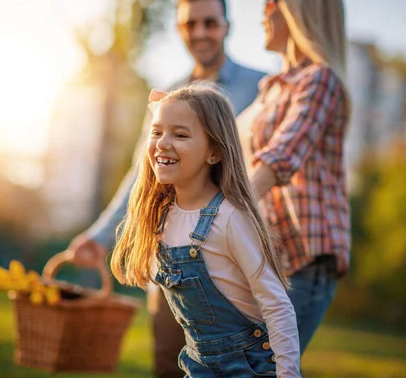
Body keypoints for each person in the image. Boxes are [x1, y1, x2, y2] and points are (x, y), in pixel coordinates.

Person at [66, 0, 266, 377]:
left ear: (227, 26)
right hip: (172, 256)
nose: (201, 31)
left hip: (233, 259)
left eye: (210, 22)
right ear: (179, 29)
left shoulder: (260, 88)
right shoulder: (167, 97)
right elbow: (142, 174)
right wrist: (98, 236)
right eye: (191, 23)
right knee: (169, 365)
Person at [111, 84, 301, 378]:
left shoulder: (229, 218)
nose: (162, 143)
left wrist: (289, 375)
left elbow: (277, 306)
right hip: (198, 366)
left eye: (180, 134)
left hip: (249, 368)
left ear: (213, 153)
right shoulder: (161, 216)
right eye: (157, 131)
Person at [240, 0, 351, 356]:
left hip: (304, 258)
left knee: (264, 367)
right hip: (269, 255)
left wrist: (222, 210)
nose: (265, 8)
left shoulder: (320, 80)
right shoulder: (271, 88)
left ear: (300, 13)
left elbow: (282, 153)